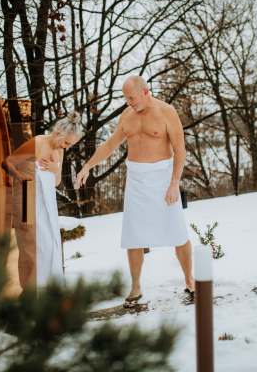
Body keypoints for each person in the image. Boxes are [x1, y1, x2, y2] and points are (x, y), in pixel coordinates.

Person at [75, 76, 194, 308]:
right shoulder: (127, 115)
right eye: (126, 98)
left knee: (177, 230)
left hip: (162, 178)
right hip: (136, 180)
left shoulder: (166, 112)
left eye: (131, 97)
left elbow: (180, 150)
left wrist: (174, 184)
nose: (128, 102)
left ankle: (190, 280)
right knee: (133, 235)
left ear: (145, 92)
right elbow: (110, 144)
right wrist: (87, 167)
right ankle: (136, 286)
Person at [2, 111, 82, 289]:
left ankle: (48, 291)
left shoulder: (59, 150)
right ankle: (30, 294)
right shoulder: (37, 143)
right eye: (67, 143)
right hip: (26, 198)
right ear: (57, 133)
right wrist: (20, 177)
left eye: (71, 145)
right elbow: (7, 163)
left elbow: (56, 182)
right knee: (30, 246)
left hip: (46, 202)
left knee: (49, 244)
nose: (67, 147)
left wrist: (55, 169)